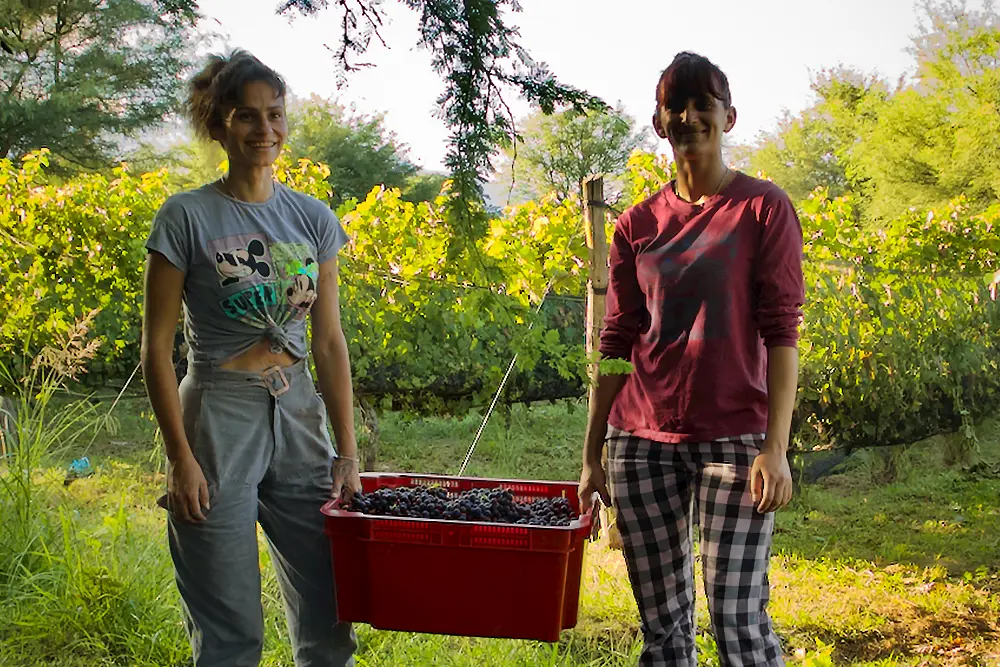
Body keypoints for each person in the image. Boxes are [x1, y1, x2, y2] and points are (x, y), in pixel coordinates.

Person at [579, 51, 804, 667]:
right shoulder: (636, 224)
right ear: (659, 123)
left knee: (739, 622)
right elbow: (618, 339)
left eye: (704, 103)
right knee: (664, 631)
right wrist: (592, 451)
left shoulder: (763, 210)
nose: (689, 117)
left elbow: (782, 333)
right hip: (641, 444)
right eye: (675, 106)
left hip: (735, 440)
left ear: (728, 117)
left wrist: (776, 448)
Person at [141, 49, 360, 667]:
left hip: (298, 414)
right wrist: (179, 458)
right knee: (229, 625)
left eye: (274, 115)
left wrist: (347, 451)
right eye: (245, 117)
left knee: (327, 605)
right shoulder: (187, 215)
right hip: (217, 416)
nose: (265, 130)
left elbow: (328, 342)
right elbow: (156, 349)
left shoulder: (312, 218)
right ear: (217, 126)